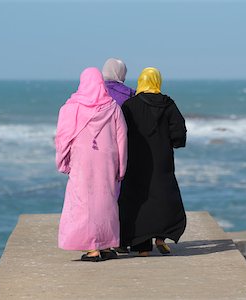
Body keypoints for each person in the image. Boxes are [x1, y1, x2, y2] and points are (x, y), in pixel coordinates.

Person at [55, 67, 128, 262]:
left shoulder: (70, 108)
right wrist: (122, 167)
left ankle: (92, 248)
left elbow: (63, 138)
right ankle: (105, 245)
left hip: (81, 159)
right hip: (107, 159)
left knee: (82, 201)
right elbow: (122, 138)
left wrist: (62, 161)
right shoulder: (113, 107)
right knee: (106, 200)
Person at [118, 67, 187, 257]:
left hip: (136, 159)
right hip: (161, 158)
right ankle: (161, 238)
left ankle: (142, 247)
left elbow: (121, 132)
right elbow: (179, 131)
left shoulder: (129, 105)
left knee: (137, 198)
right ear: (157, 81)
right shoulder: (168, 104)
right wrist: (173, 143)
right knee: (163, 195)